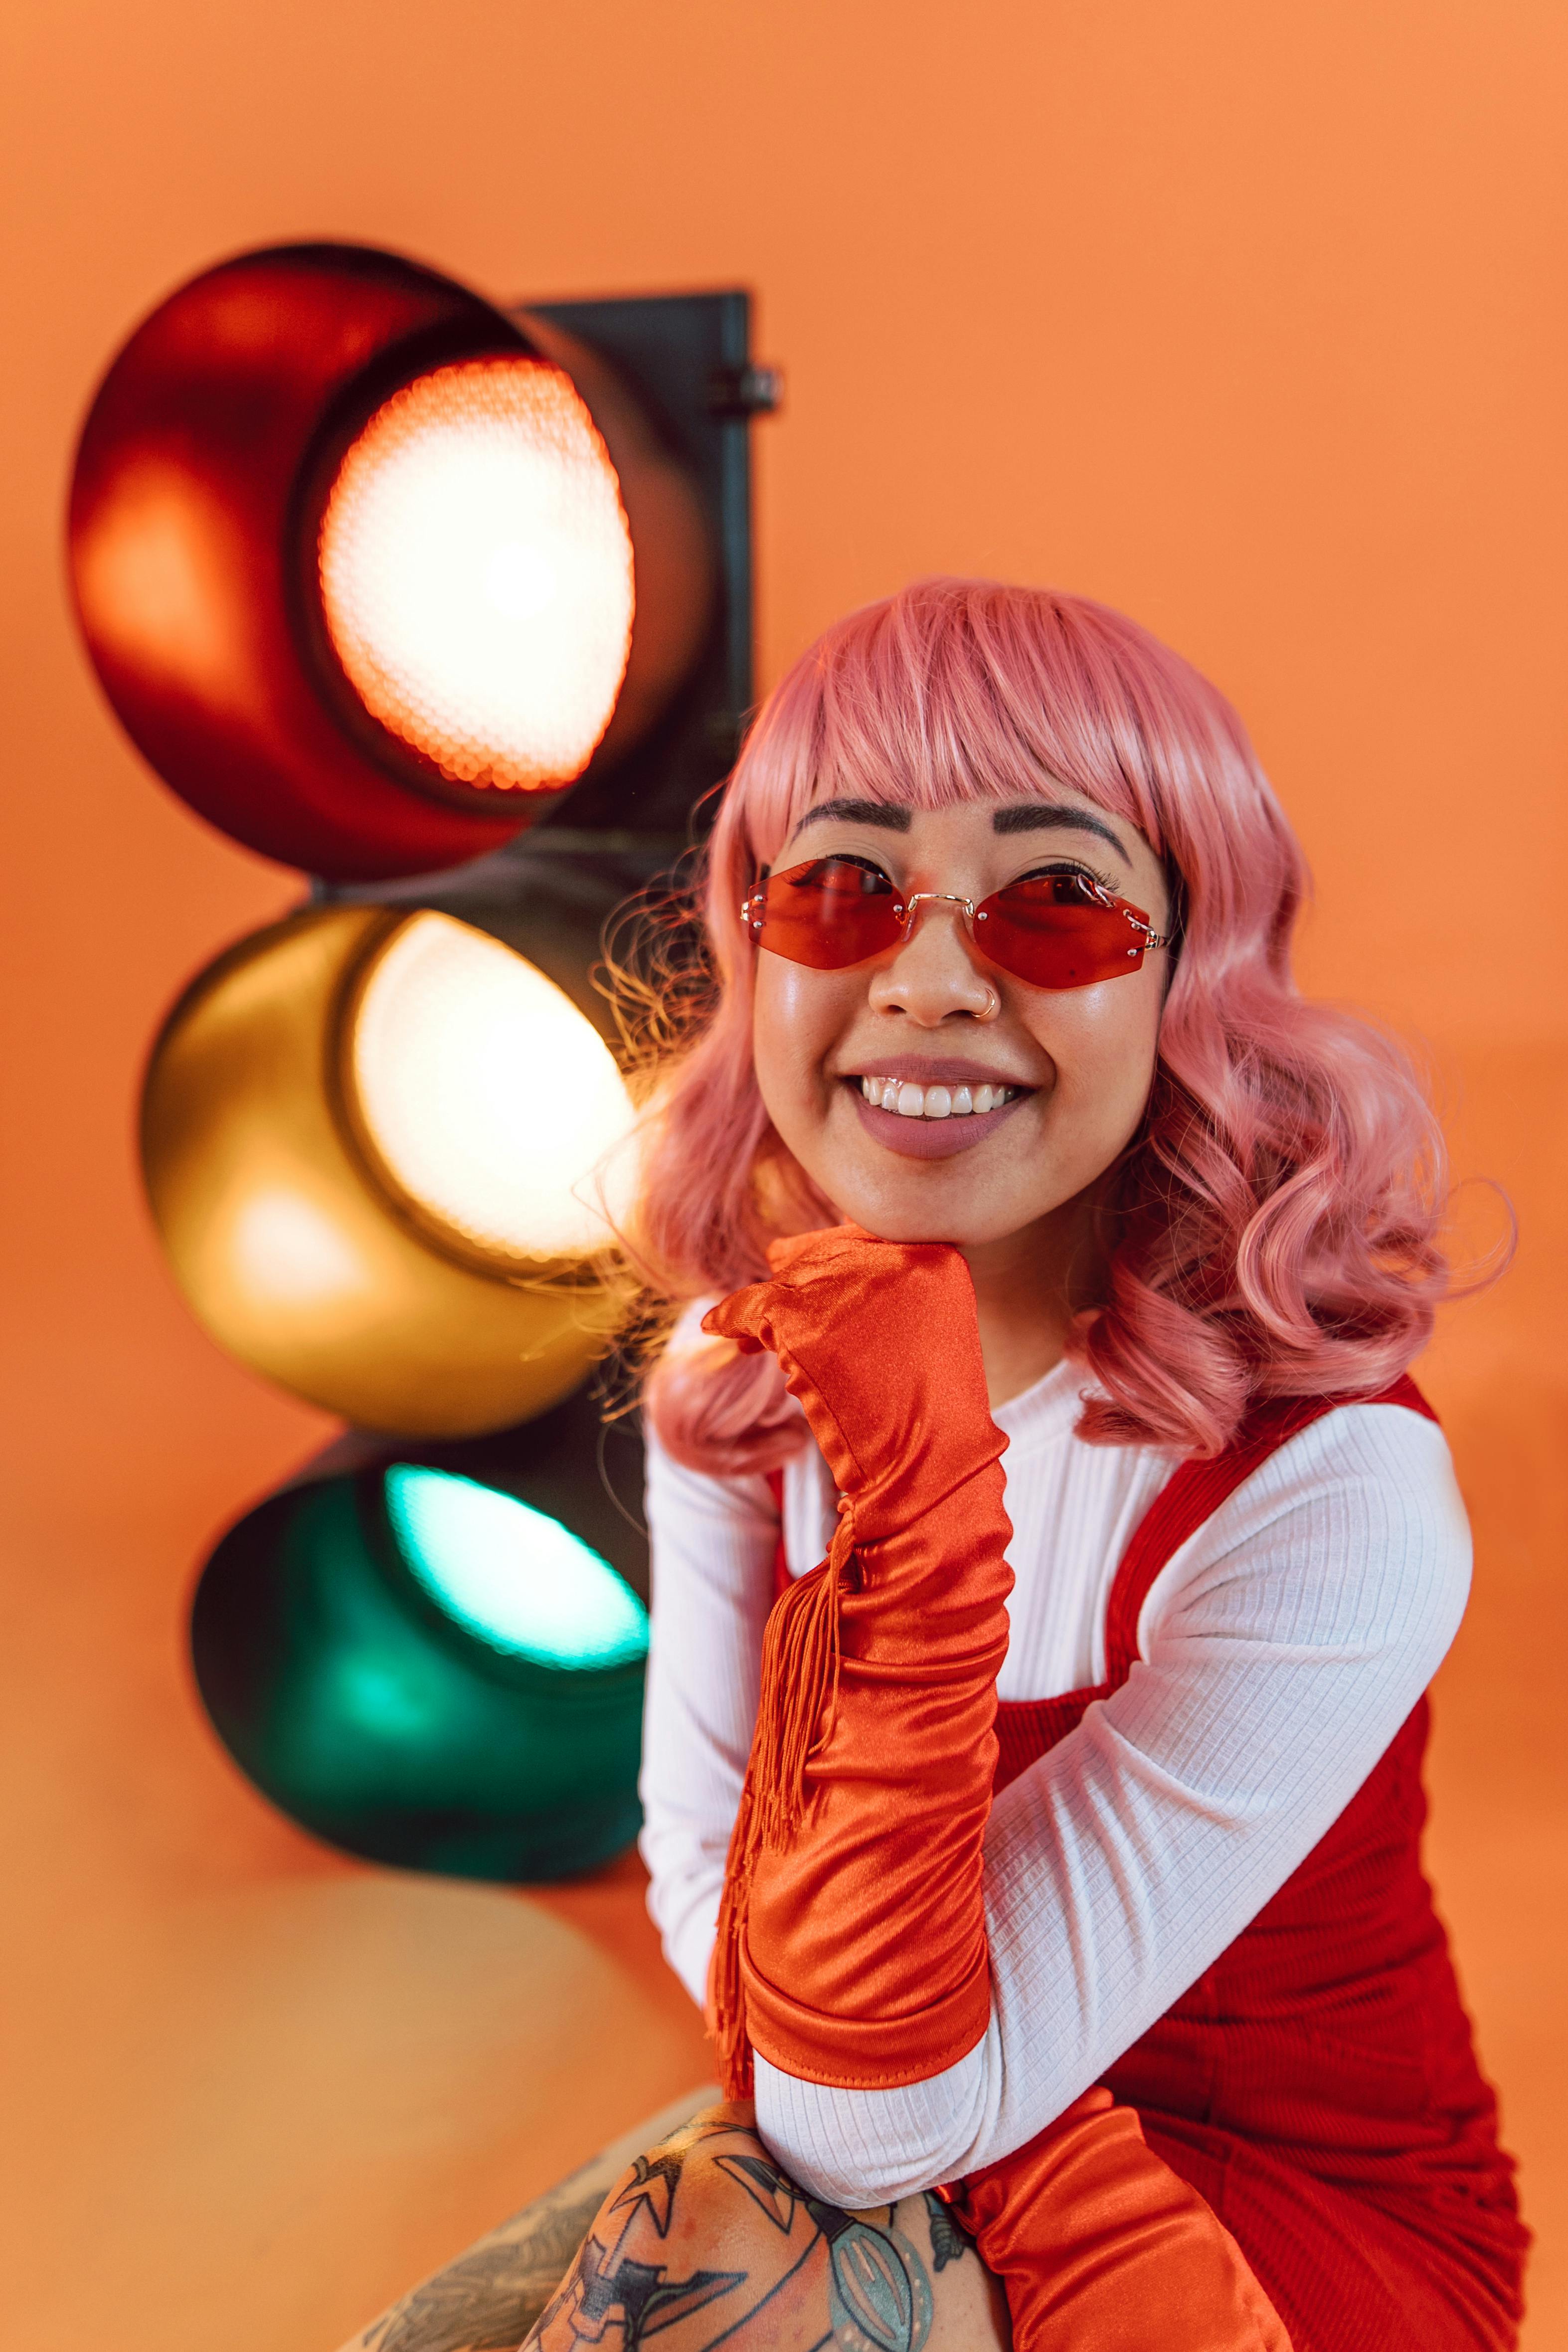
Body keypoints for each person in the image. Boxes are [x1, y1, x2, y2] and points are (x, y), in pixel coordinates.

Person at [525, 580, 1526, 2352]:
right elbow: (699, 1880)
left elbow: (852, 2116)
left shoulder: (1333, 1490)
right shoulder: (736, 1386)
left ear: (1191, 978)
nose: (923, 981)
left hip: (1285, 2222)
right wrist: (864, 2165)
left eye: (1057, 903)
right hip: (900, 2133)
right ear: (756, 954)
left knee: (712, 2271)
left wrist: (919, 1479)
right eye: (840, 888)